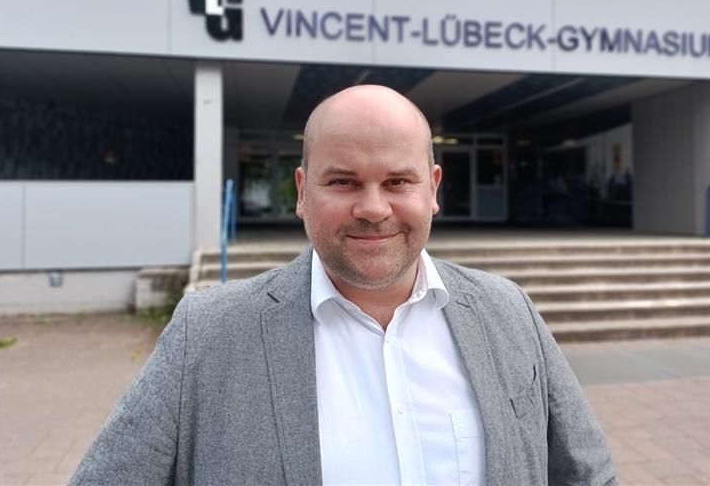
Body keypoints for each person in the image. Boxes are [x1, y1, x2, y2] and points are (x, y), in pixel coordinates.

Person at [70, 85, 617, 485]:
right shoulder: (207, 334)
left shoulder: (509, 312)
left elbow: (588, 476)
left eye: (398, 181)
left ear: (433, 189)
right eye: (344, 181)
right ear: (303, 192)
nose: (373, 208)